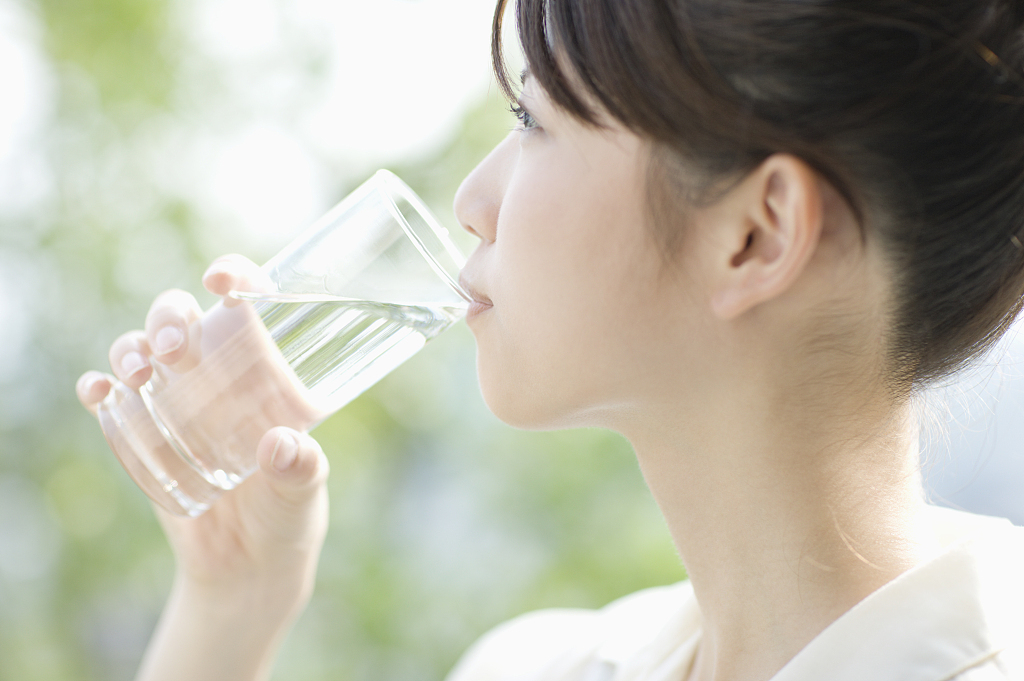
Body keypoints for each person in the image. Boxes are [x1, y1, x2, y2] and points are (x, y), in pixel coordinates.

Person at [76, 0, 1024, 679]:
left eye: (534, 118)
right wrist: (229, 608)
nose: (473, 200)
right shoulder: (542, 661)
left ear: (757, 234)